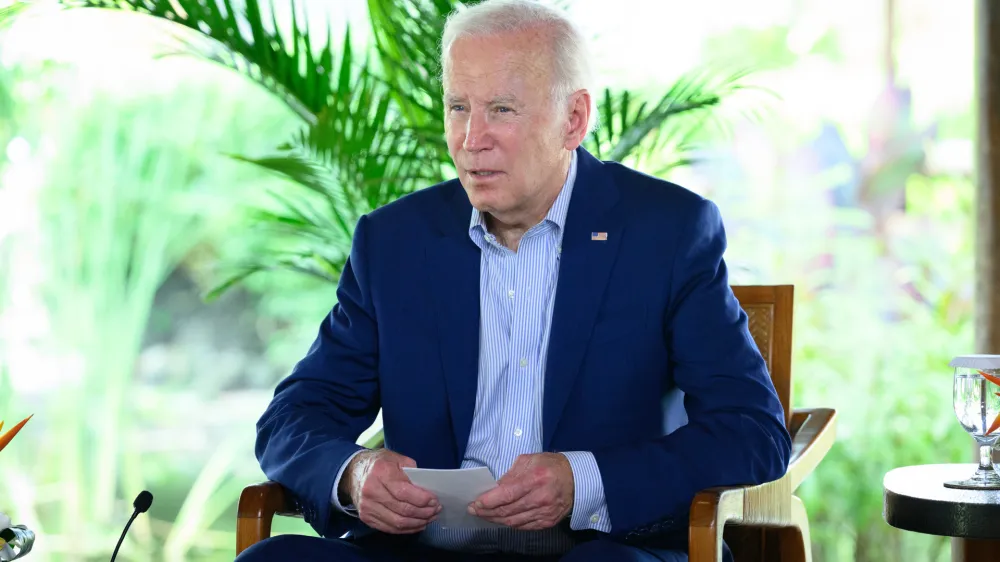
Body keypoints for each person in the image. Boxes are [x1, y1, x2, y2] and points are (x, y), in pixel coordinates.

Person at [235, 1, 791, 560]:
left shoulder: (666, 233)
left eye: (501, 109)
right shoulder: (394, 242)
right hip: (418, 549)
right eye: (458, 107)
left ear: (573, 119)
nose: (472, 139)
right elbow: (294, 416)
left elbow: (752, 432)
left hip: (598, 547)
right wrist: (353, 473)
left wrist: (583, 480)